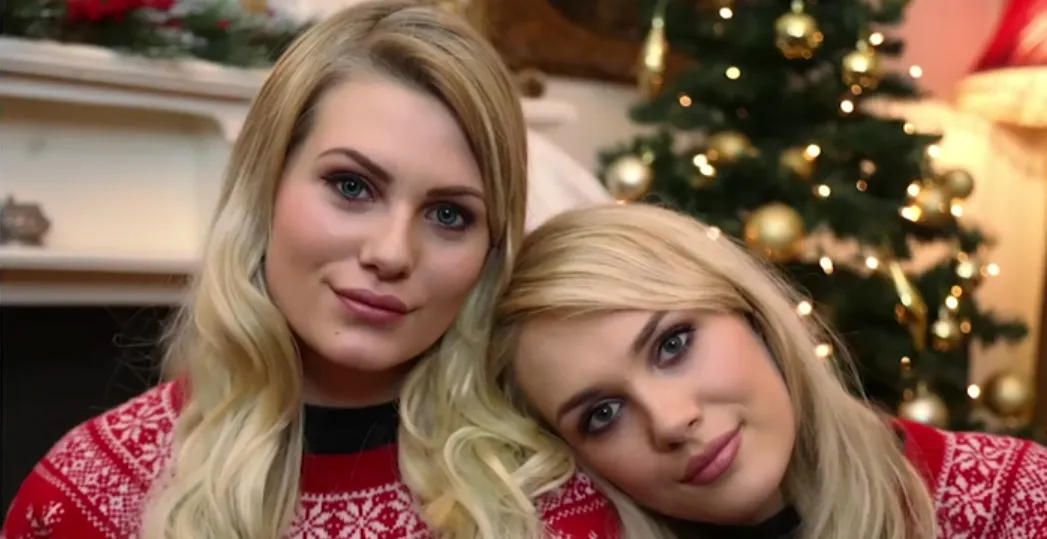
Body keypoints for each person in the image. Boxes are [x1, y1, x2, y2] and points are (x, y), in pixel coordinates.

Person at [0, 2, 621, 538]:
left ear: (490, 251)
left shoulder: (545, 504)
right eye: (351, 186)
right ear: (265, 188)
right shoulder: (87, 492)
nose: (392, 253)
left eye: (449, 215)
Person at [486, 203, 1047, 539]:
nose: (671, 421)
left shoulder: (1018, 498)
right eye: (603, 414)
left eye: (673, 345)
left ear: (751, 315)